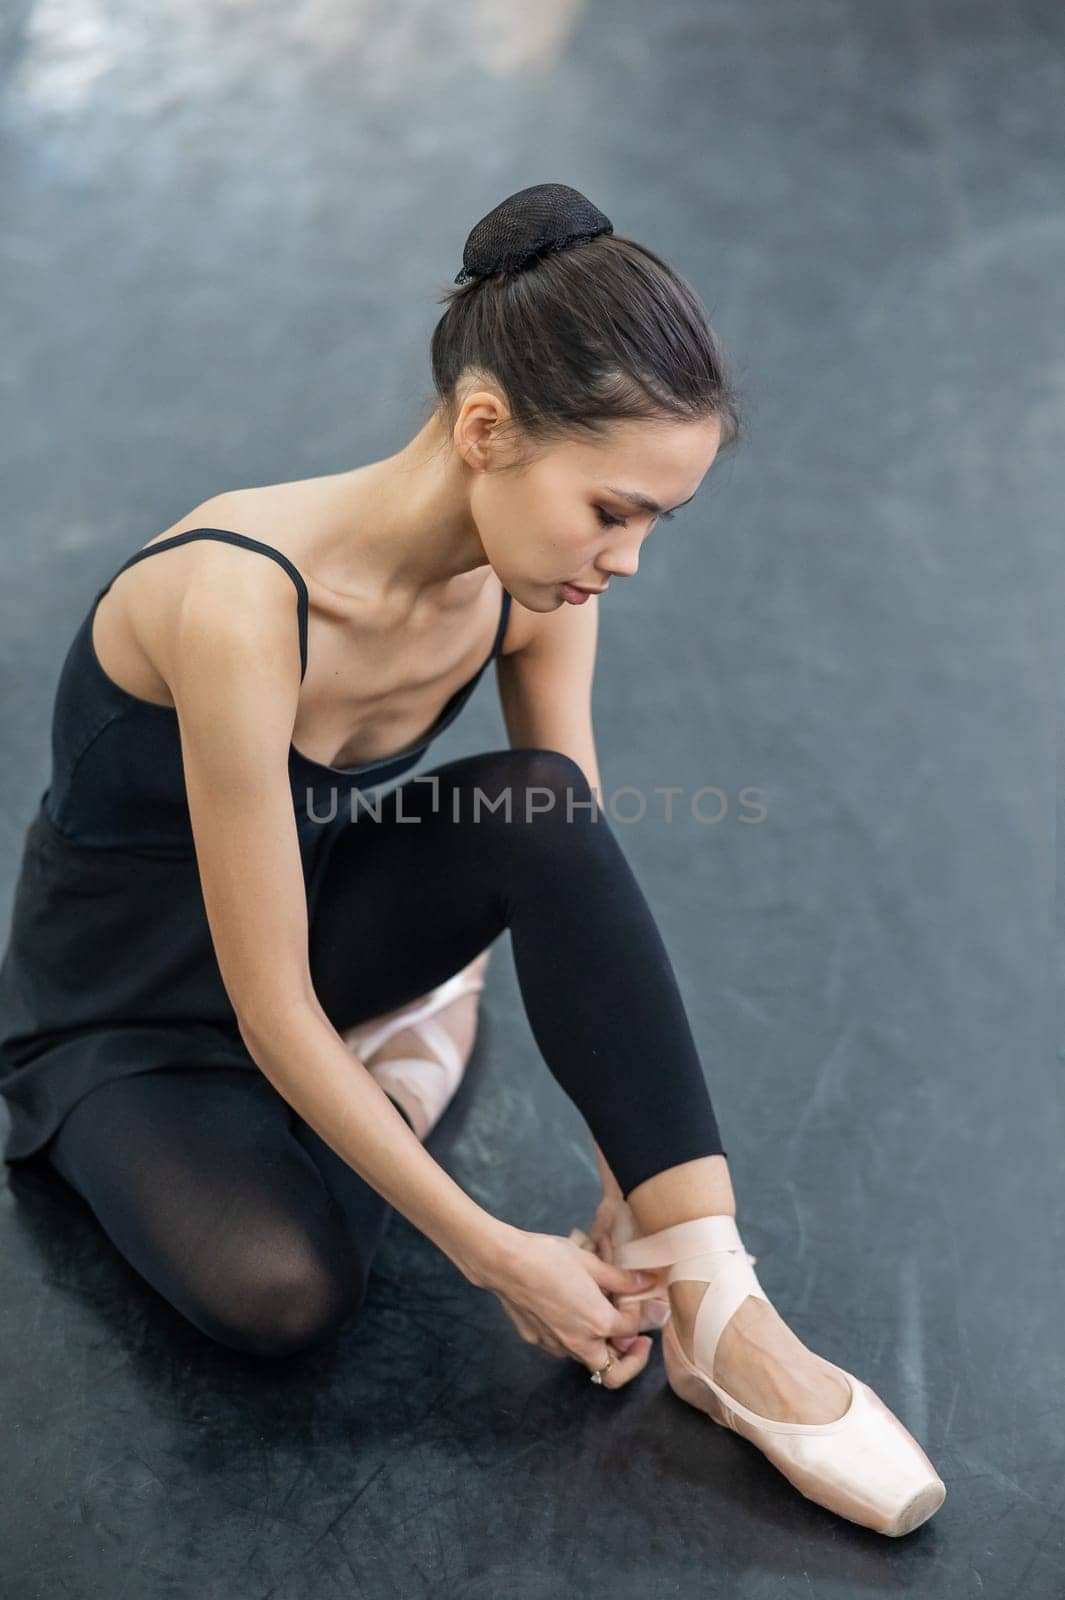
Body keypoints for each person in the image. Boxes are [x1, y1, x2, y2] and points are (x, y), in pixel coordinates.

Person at [0, 182, 945, 1537]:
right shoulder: (238, 600)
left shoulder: (532, 585)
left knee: (541, 807)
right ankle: (396, 1075)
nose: (623, 561)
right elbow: (261, 1007)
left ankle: (719, 1310)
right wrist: (495, 1251)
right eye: (611, 510)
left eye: (651, 525)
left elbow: (576, 862)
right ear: (485, 428)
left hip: (319, 928)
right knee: (280, 1298)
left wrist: (636, 1196)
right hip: (132, 1010)